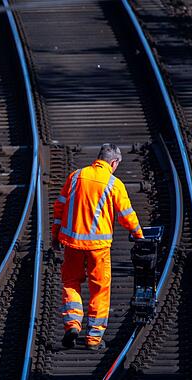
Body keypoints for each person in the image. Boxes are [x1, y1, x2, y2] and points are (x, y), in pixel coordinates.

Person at [51, 144, 144, 351]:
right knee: (99, 289)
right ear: (113, 162)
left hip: (72, 243)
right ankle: (93, 339)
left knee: (70, 282)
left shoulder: (76, 176)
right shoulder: (114, 183)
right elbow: (126, 215)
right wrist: (139, 235)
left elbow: (60, 206)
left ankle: (72, 325)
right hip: (98, 248)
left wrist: (55, 235)